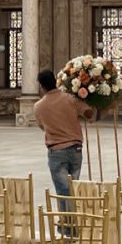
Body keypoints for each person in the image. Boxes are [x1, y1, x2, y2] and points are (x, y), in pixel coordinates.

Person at [34, 69, 93, 211]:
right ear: (55, 81)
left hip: (57, 150)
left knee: (63, 191)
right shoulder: (70, 99)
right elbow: (89, 114)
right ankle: (72, 223)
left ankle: (68, 227)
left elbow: (43, 127)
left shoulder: (38, 107)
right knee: (73, 187)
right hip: (75, 149)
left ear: (41, 86)